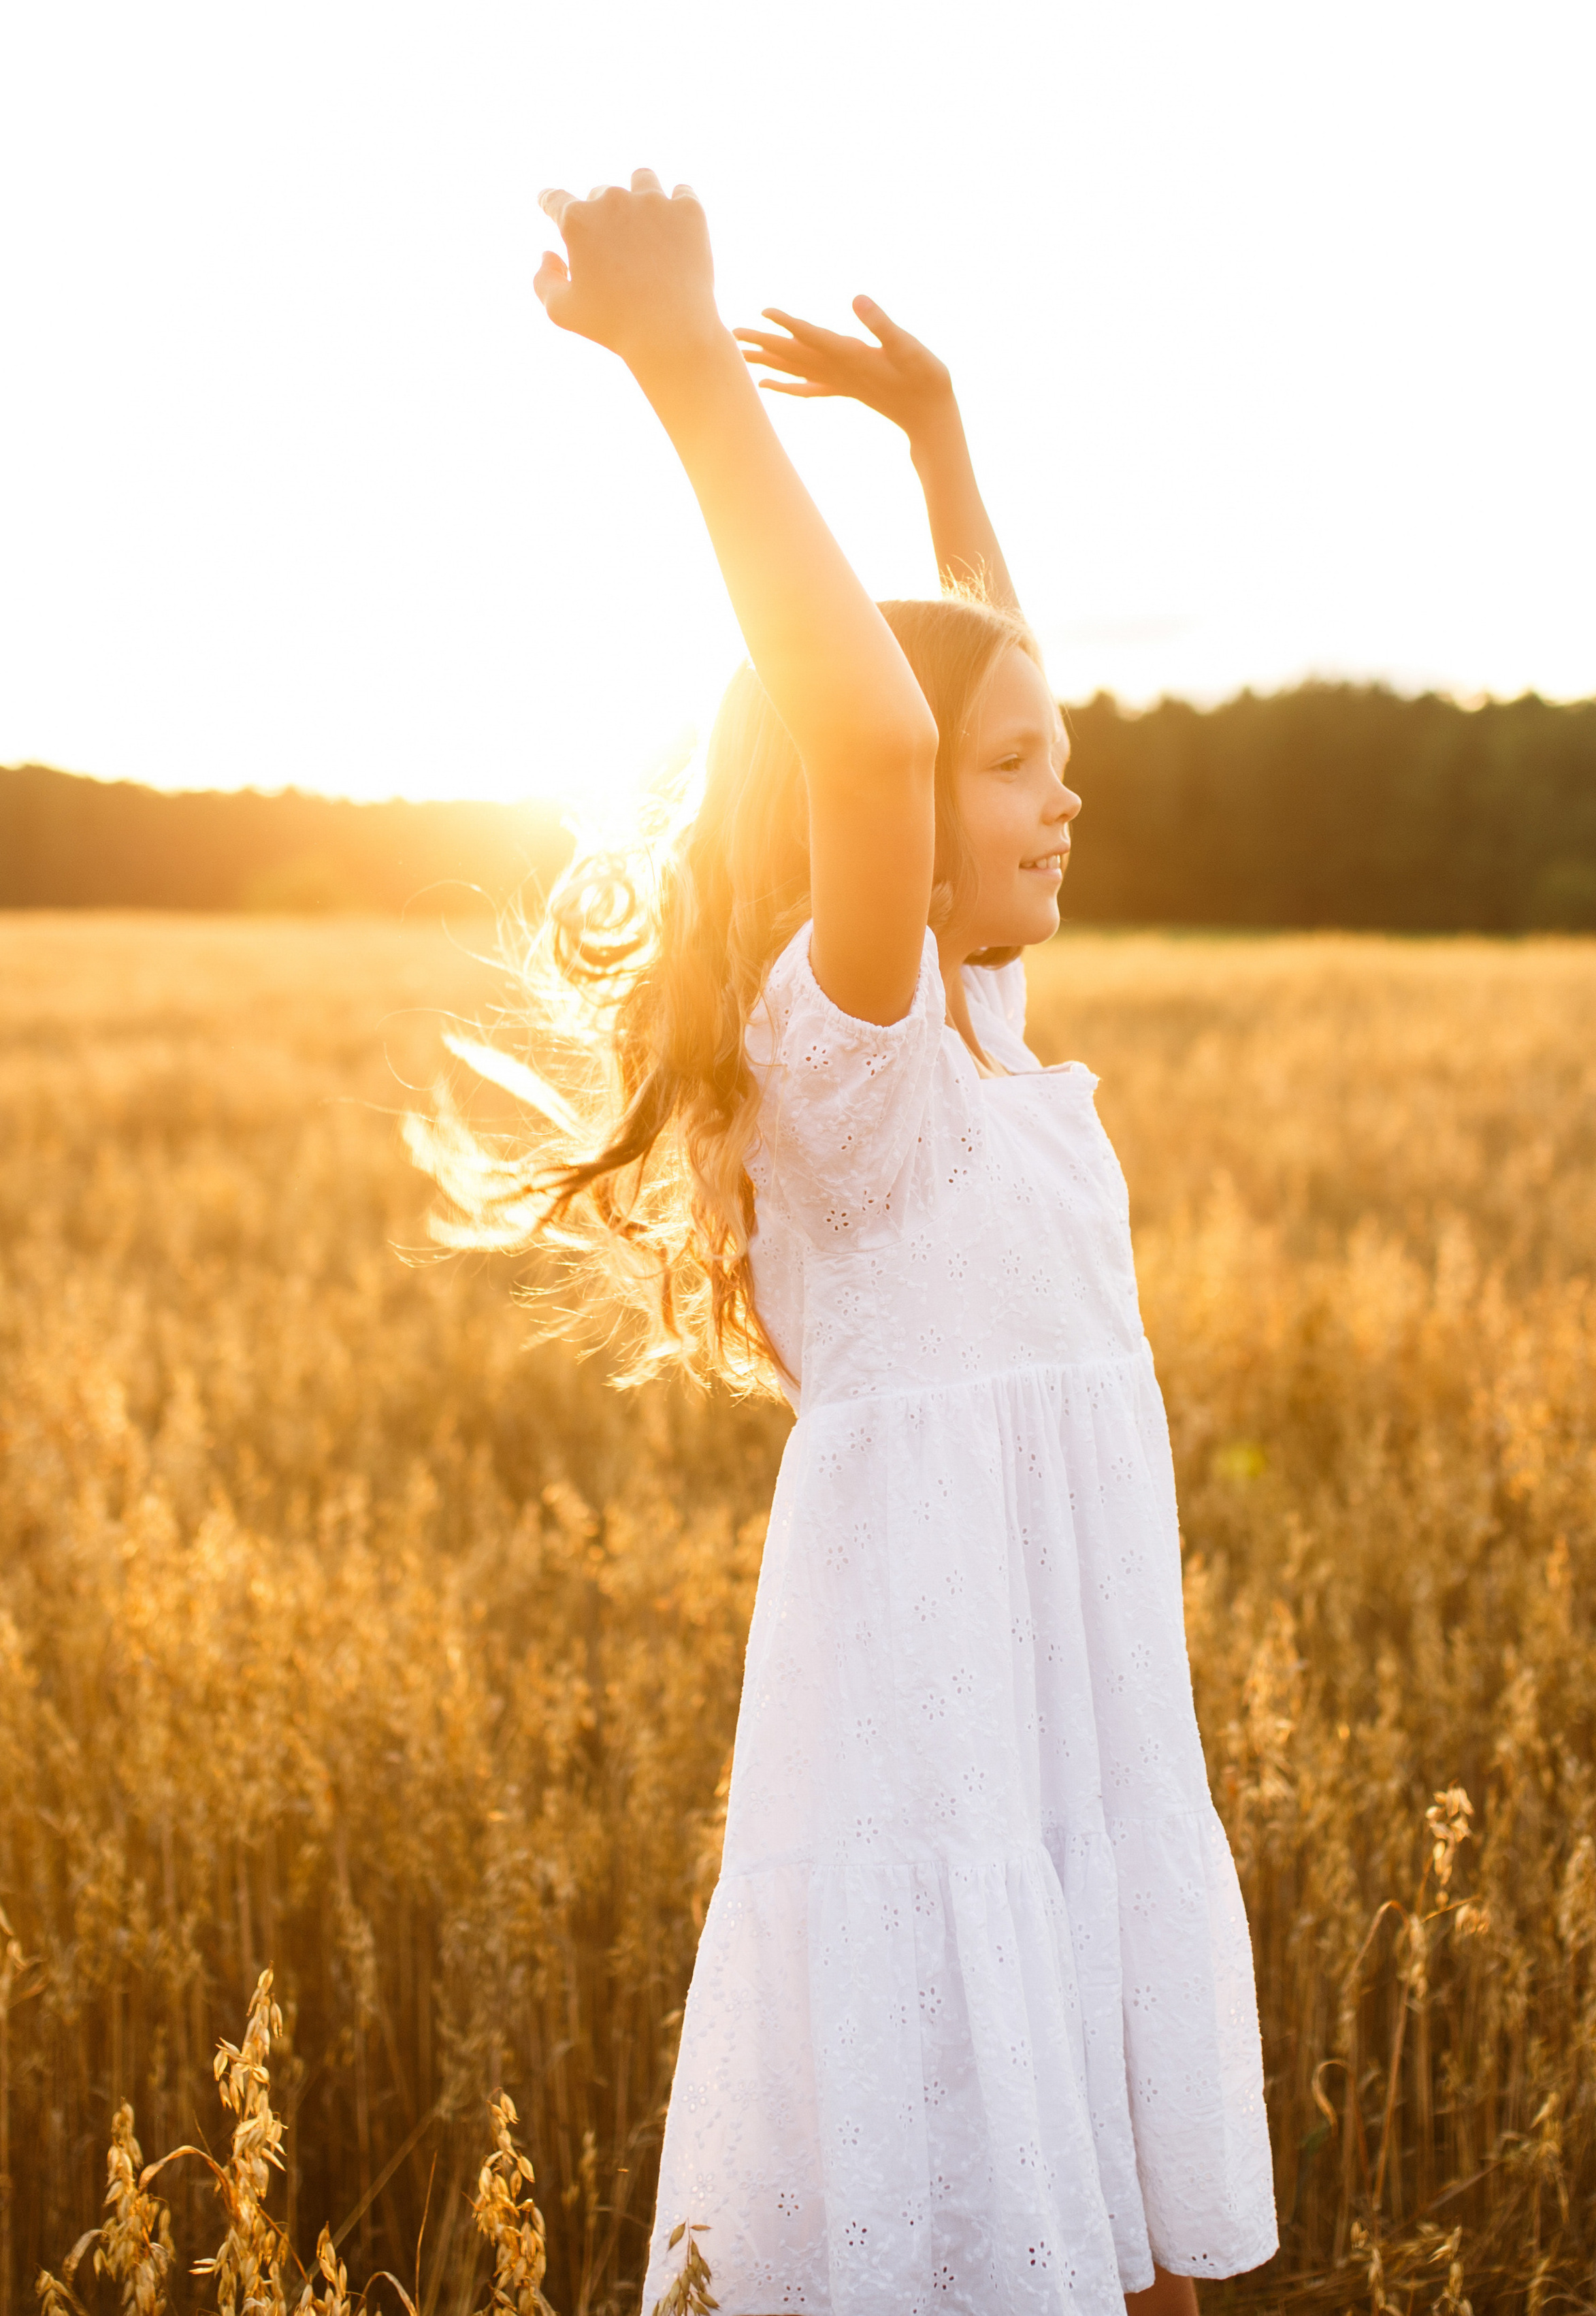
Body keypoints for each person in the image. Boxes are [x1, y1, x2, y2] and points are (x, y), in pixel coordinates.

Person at [428, 165, 1277, 2316]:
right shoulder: (868, 1076)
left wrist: (943, 439)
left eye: (1059, 765)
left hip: (1065, 1730)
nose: (1062, 797)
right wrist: (686, 360)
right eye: (1026, 778)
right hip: (931, 1743)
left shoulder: (987, 1034)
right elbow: (888, 725)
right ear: (880, 835)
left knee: (1112, 2219)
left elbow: (975, 692)